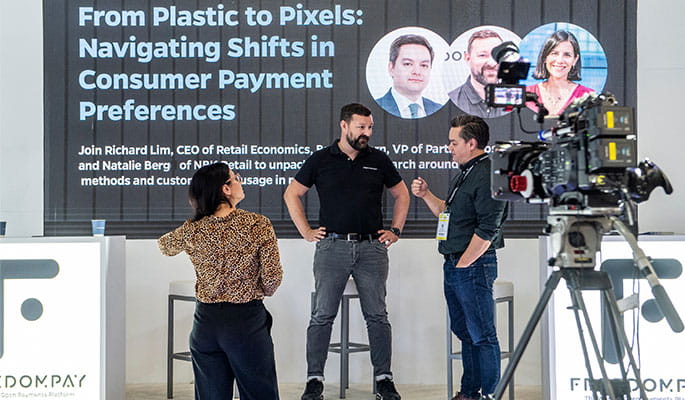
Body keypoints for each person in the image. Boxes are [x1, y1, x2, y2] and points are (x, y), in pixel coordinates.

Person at [284, 103, 410, 400]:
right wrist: (305, 231)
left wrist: (396, 229)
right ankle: (314, 380)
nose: (366, 133)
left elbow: (401, 193)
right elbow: (292, 193)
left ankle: (384, 380)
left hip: (372, 249)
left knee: (377, 315)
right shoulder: (321, 159)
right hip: (332, 248)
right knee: (322, 315)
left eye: (370, 128)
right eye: (361, 127)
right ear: (344, 126)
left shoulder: (378, 160)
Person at [158, 162, 282, 400]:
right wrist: (261, 289)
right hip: (246, 322)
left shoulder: (194, 229)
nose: (240, 182)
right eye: (236, 178)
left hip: (205, 323)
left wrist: (194, 227)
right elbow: (272, 278)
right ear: (225, 189)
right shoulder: (257, 224)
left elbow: (165, 245)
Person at [411, 115, 507, 400]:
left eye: (454, 142)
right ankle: (469, 392)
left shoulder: (489, 173)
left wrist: (465, 263)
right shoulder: (466, 172)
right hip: (454, 263)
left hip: (472, 265)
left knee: (482, 334)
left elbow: (488, 227)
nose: (449, 147)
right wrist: (427, 195)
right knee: (465, 332)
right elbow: (448, 213)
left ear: (472, 143)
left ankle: (489, 394)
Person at [526, 30, 595, 116]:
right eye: (554, 53)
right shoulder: (526, 93)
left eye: (567, 55)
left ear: (575, 60)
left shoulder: (589, 96)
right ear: (545, 57)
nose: (560, 60)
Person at [375, 34, 443, 119]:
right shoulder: (374, 107)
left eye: (424, 65)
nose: (417, 72)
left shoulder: (438, 108)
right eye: (408, 64)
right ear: (391, 68)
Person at [448, 29, 508, 119]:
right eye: (483, 55)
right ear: (467, 58)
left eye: (497, 55)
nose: (492, 63)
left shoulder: (515, 99)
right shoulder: (454, 99)